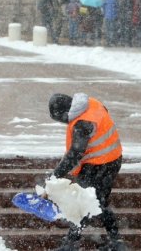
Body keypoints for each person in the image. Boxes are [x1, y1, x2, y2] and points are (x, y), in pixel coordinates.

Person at [48, 93, 127, 251]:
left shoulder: (82, 124)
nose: (65, 123)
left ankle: (72, 244)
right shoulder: (90, 103)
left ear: (66, 113)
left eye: (62, 119)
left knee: (85, 201)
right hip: (111, 158)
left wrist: (55, 176)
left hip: (100, 164)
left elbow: (75, 153)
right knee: (99, 201)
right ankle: (115, 241)